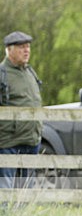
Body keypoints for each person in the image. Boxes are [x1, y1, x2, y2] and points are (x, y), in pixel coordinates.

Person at [0, 31, 43, 189]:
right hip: (9, 142)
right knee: (5, 188)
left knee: (27, 190)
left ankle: (24, 215)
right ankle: (4, 214)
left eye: (28, 47)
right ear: (9, 50)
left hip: (32, 140)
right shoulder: (2, 73)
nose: (26, 51)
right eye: (21, 47)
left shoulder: (30, 72)